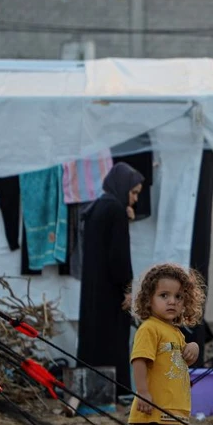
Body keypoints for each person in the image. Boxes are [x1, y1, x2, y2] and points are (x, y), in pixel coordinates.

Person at [128, 263, 205, 425]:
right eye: (164, 296)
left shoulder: (174, 332)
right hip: (155, 407)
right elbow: (139, 360)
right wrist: (143, 393)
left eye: (178, 297)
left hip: (166, 408)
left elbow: (180, 360)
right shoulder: (150, 328)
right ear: (149, 300)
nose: (171, 301)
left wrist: (192, 347)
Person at [77, 163, 144, 399]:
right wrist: (127, 288)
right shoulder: (115, 210)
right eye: (133, 192)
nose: (135, 199)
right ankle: (117, 392)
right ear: (122, 186)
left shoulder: (98, 207)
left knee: (95, 341)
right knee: (113, 342)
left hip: (95, 289)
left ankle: (93, 393)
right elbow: (118, 255)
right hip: (111, 291)